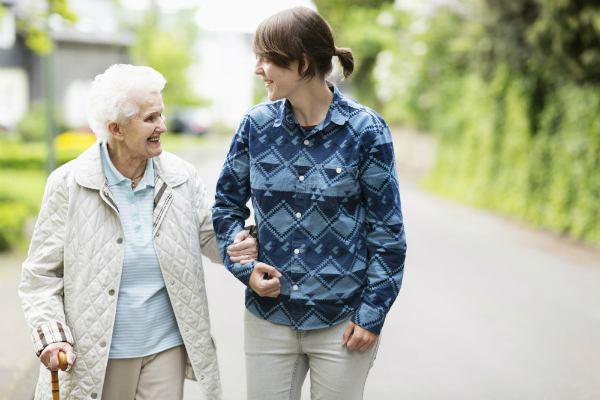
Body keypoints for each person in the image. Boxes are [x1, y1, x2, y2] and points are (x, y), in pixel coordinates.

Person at [19, 64, 257, 400]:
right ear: (116, 128)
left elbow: (210, 236)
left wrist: (240, 241)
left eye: (161, 114)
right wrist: (52, 335)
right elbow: (40, 276)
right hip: (98, 354)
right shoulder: (68, 184)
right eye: (150, 119)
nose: (162, 126)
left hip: (166, 347)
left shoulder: (180, 176)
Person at [212, 7, 407, 400]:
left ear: (302, 62)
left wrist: (372, 314)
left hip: (343, 322)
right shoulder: (255, 126)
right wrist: (242, 263)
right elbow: (225, 206)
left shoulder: (365, 131)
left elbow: (388, 233)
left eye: (266, 59)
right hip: (268, 317)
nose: (257, 69)